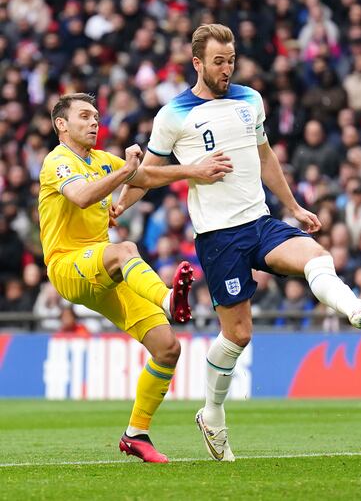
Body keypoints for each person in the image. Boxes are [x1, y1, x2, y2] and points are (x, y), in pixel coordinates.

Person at [115, 24, 361, 462]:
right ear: (197, 63)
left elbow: (265, 156)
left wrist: (292, 206)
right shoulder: (173, 115)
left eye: (231, 60)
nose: (226, 68)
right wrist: (125, 202)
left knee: (316, 255)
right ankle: (212, 414)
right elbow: (147, 174)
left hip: (260, 221)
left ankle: (357, 309)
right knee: (237, 334)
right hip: (218, 238)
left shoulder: (249, 100)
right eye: (218, 61)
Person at [39, 93, 233, 463]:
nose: (94, 122)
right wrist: (124, 173)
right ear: (61, 124)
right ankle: (166, 299)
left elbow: (149, 175)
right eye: (84, 116)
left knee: (167, 347)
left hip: (101, 268)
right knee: (125, 247)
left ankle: (135, 434)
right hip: (67, 265)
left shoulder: (100, 161)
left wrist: (194, 170)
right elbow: (80, 197)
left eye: (96, 116)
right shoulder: (57, 161)